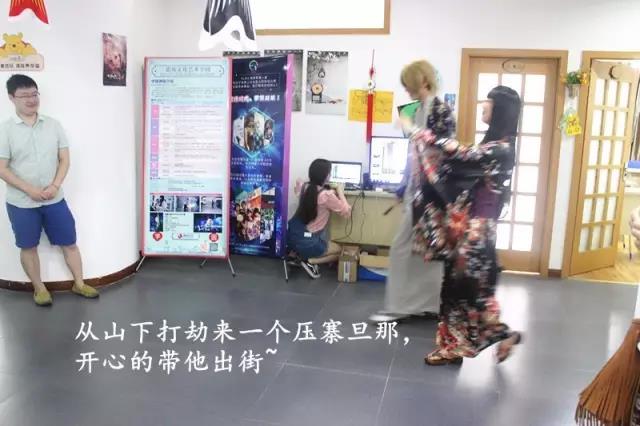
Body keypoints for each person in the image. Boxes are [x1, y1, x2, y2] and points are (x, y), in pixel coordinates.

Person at [409, 86, 523, 365]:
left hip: (477, 231)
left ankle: (464, 343)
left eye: (489, 102)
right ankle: (467, 342)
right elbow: (461, 162)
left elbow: (463, 154)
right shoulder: (494, 145)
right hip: (470, 227)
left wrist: (426, 136)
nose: (484, 105)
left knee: (464, 288)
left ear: (501, 110)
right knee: (464, 288)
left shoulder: (502, 149)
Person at [0, 74, 99, 306]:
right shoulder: (5, 130)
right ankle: (40, 289)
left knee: (70, 242)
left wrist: (55, 185)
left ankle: (79, 283)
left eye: (34, 94)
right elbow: (2, 168)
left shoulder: (53, 125)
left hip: (55, 199)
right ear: (11, 98)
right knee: (28, 246)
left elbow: (64, 159)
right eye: (24, 95)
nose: (31, 99)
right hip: (21, 202)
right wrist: (30, 190)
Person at [369, 60, 455, 323]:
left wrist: (416, 132)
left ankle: (406, 307)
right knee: (416, 250)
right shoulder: (412, 110)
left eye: (409, 84)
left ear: (423, 81)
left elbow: (444, 150)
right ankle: (416, 305)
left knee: (415, 250)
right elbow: (412, 155)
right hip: (416, 189)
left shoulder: (442, 111)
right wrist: (402, 186)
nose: (406, 90)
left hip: (432, 193)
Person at [288, 159, 351, 279]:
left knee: (316, 238)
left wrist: (327, 190)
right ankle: (310, 261)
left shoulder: (303, 187)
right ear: (326, 176)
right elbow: (346, 212)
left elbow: (301, 187)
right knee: (341, 251)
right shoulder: (327, 196)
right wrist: (340, 191)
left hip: (292, 238)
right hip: (310, 243)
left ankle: (299, 255)